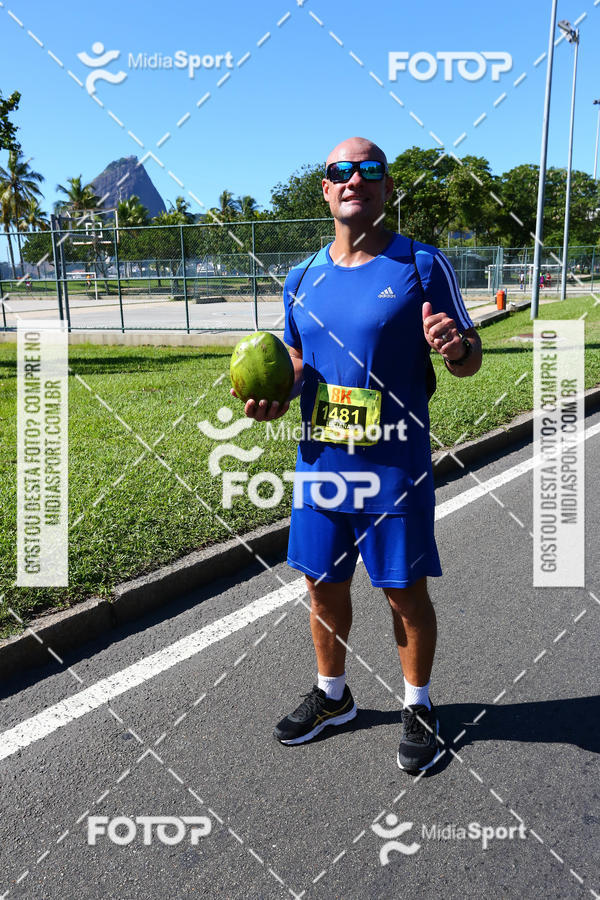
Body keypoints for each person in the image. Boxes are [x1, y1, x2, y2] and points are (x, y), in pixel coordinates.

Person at [233, 137, 482, 774]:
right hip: (321, 463)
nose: (354, 180)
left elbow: (468, 359)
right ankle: (333, 696)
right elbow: (297, 361)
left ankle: (419, 704)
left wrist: (455, 347)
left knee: (403, 591)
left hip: (394, 466)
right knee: (322, 586)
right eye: (340, 171)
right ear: (325, 190)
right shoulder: (300, 278)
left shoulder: (420, 264)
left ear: (386, 187)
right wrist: (277, 394)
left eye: (369, 170)